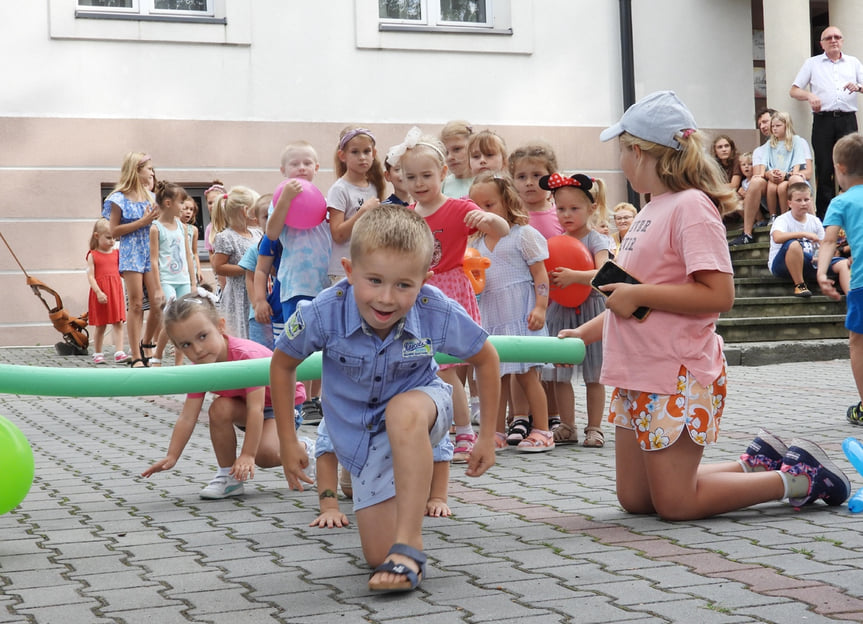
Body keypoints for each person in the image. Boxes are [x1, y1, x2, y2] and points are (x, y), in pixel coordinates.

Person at [562, 89, 848, 521]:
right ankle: (753, 464)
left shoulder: (692, 206)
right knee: (637, 500)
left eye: (621, 151)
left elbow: (719, 295)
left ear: (640, 152)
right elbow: (628, 296)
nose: (620, 161)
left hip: (675, 373)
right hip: (636, 372)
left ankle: (802, 479)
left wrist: (640, 294)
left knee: (676, 504)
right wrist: (584, 333)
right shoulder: (648, 210)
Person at [270, 205, 501, 593]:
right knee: (377, 556)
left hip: (424, 406)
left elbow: (486, 357)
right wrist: (289, 440)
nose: (387, 298)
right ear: (348, 270)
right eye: (374, 280)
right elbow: (282, 364)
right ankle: (395, 537)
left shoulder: (433, 309)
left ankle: (410, 544)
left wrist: (486, 436)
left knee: (403, 411)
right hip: (362, 436)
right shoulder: (324, 311)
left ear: (425, 281)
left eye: (404, 285)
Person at [389, 128, 510, 463]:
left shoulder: (459, 208)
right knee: (427, 365)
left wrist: (487, 218)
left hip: (451, 288)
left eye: (426, 175)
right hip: (419, 291)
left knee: (446, 367)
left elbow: (502, 230)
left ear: (443, 173)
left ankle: (465, 432)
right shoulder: (408, 214)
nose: (418, 182)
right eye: (410, 176)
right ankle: (437, 428)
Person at [142, 290, 306, 498]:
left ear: (220, 326)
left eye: (203, 336)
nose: (198, 349)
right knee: (219, 408)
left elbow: (255, 409)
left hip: (282, 404)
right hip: (245, 406)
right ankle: (228, 477)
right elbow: (187, 416)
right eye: (186, 344)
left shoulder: (246, 358)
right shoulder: (200, 367)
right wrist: (172, 456)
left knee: (263, 456)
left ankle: (305, 450)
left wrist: (247, 454)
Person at [469, 172, 552, 451]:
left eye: (489, 205)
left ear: (506, 202)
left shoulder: (523, 235)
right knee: (495, 376)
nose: (483, 213)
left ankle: (542, 429)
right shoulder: (477, 244)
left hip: (522, 312)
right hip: (493, 313)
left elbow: (540, 275)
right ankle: (495, 432)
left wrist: (541, 307)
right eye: (476, 207)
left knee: (527, 374)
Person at [539, 173, 609, 448]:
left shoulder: (596, 240)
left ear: (591, 209)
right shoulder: (556, 241)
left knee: (594, 375)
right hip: (561, 311)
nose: (566, 214)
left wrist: (575, 277)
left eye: (574, 208)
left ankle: (595, 428)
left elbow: (605, 272)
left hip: (591, 310)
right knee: (559, 374)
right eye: (560, 208)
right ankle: (567, 425)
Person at [264, 140, 331, 423]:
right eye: (295, 164)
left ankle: (316, 399)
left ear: (317, 168)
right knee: (296, 344)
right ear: (283, 170)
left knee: (325, 345)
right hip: (294, 285)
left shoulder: (324, 200)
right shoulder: (279, 199)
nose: (301, 168)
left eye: (307, 163)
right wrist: (285, 201)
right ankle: (293, 400)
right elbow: (272, 232)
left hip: (324, 285)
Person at [791, 25, 863, 219]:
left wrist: (858, 86)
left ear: (842, 41)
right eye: (829, 37)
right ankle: (825, 215)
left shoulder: (853, 63)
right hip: (823, 120)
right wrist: (809, 96)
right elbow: (794, 90)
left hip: (847, 120)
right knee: (824, 167)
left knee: (852, 164)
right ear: (821, 43)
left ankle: (853, 210)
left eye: (837, 37)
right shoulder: (812, 64)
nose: (833, 40)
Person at [818, 132, 863, 424]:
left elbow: (828, 242)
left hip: (861, 283)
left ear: (841, 168)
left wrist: (822, 273)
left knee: (858, 342)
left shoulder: (841, 201)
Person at [102, 151, 160, 368]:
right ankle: (135, 354)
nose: (152, 172)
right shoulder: (118, 198)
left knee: (157, 302)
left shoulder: (151, 197)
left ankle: (147, 343)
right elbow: (114, 231)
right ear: (136, 170)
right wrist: (143, 221)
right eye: (149, 168)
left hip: (150, 252)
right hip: (131, 252)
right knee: (136, 304)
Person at [327, 126, 386, 283]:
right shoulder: (339, 189)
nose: (362, 157)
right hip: (343, 270)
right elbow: (338, 235)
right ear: (342, 155)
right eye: (355, 152)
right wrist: (363, 211)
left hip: (369, 267)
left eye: (366, 151)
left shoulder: (374, 187)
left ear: (374, 154)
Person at [149, 181, 196, 367]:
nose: (184, 207)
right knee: (171, 318)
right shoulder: (155, 228)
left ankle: (179, 363)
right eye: (180, 203)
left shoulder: (182, 227)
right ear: (168, 203)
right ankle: (157, 356)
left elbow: (189, 255)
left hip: (183, 279)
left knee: (184, 319)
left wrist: (193, 283)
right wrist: (158, 288)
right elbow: (153, 260)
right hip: (167, 280)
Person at [212, 186, 262, 340]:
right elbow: (218, 267)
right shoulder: (226, 237)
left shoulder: (257, 233)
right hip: (238, 294)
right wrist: (246, 268)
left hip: (255, 288)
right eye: (256, 210)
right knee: (241, 330)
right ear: (245, 211)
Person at [768, 182, 834, 298]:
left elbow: (824, 244)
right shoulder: (782, 220)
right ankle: (800, 285)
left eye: (806, 199)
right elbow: (777, 237)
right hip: (782, 264)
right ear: (789, 203)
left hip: (810, 262)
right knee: (793, 245)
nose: (803, 203)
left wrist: (820, 256)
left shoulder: (815, 220)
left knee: (843, 263)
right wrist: (804, 234)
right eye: (798, 200)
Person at [730, 108, 776, 245]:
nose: (762, 126)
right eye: (759, 124)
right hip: (768, 190)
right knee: (755, 182)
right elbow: (757, 174)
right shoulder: (759, 151)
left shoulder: (796, 143)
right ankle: (747, 233)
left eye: (765, 122)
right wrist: (769, 174)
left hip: (790, 186)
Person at [86, 218, 128, 365]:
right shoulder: (93, 255)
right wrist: (98, 292)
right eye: (108, 238)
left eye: (114, 238)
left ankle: (119, 351)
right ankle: (98, 353)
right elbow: (91, 276)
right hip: (101, 293)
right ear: (97, 236)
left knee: (118, 322)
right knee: (101, 325)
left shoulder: (116, 253)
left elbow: (121, 272)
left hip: (115, 292)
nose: (112, 241)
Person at [761, 112, 813, 218]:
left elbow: (797, 159)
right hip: (775, 176)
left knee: (782, 187)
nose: (774, 128)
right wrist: (765, 173)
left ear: (786, 125)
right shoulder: (770, 143)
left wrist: (792, 173)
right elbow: (764, 161)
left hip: (788, 175)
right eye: (773, 126)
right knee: (771, 186)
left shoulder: (796, 140)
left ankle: (793, 216)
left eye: (778, 126)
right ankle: (773, 215)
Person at [508, 141, 564, 239]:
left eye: (536, 175)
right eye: (522, 177)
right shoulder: (509, 215)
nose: (529, 182)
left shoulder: (562, 214)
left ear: (551, 177)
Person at [241, 194, 276, 349]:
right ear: (257, 221)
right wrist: (256, 304)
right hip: (261, 315)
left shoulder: (289, 247)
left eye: (276, 215)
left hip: (281, 310)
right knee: (262, 350)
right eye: (267, 216)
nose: (272, 220)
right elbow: (250, 278)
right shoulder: (254, 250)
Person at [440, 120, 474, 198]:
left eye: (457, 149)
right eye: (446, 153)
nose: (450, 157)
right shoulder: (443, 184)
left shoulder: (486, 181)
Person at [180, 196, 204, 286]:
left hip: (191, 268)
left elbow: (194, 252)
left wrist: (198, 269)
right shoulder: (173, 227)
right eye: (185, 208)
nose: (188, 212)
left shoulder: (193, 230)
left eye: (191, 209)